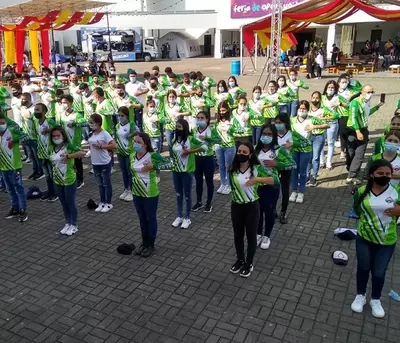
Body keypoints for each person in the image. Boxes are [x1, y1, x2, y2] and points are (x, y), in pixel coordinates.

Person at [351, 159, 399, 318]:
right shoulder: (361, 191)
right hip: (364, 238)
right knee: (363, 268)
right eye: (380, 173)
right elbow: (357, 211)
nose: (384, 176)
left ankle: (375, 299)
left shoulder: (396, 192)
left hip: (386, 241)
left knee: (379, 272)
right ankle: (360, 295)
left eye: (387, 174)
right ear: (372, 174)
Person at [229, 141, 279, 278]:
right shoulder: (232, 168)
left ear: (250, 155)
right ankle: (240, 260)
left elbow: (275, 180)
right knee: (238, 235)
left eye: (244, 152)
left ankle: (249, 263)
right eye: (239, 151)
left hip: (251, 207)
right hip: (236, 206)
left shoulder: (257, 168)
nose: (241, 154)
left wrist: (257, 180)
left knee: (251, 236)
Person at [129, 132, 170, 257]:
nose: (135, 144)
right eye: (134, 141)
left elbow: (170, 164)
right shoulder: (132, 155)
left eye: (138, 142)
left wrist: (154, 165)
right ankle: (144, 242)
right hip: (136, 192)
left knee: (150, 219)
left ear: (146, 144)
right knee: (142, 219)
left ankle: (150, 245)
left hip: (150, 193)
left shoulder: (153, 155)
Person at [255, 124, 295, 250]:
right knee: (258, 211)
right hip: (257, 186)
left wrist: (276, 164)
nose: (266, 136)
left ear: (273, 136)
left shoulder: (279, 150)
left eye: (269, 134)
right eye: (264, 134)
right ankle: (258, 233)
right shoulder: (256, 149)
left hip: (272, 186)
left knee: (269, 211)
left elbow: (292, 165)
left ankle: (267, 235)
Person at [289, 100, 329, 203]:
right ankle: (294, 191)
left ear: (307, 110)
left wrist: (314, 127)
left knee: (303, 172)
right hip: (294, 150)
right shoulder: (292, 120)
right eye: (300, 108)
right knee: (294, 170)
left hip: (306, 150)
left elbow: (326, 125)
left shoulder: (312, 119)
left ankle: (301, 192)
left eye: (304, 109)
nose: (302, 110)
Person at [49, 126, 86, 235]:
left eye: (58, 135)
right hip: (57, 179)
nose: (56, 138)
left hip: (69, 179)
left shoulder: (68, 146)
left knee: (71, 203)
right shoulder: (52, 148)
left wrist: (69, 156)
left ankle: (74, 224)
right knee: (63, 203)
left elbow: (83, 153)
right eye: (54, 136)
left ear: (63, 136)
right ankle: (68, 223)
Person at [171, 119, 206, 229]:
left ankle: (187, 218)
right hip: (176, 171)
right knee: (178, 194)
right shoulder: (174, 139)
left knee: (187, 195)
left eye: (180, 127)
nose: (177, 129)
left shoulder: (191, 139)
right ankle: (179, 216)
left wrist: (190, 152)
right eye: (176, 126)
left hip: (187, 171)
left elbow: (204, 147)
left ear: (185, 128)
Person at [346, 85, 384, 185]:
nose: (370, 94)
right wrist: (358, 131)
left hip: (363, 130)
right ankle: (351, 170)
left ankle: (352, 175)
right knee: (350, 153)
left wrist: (378, 106)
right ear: (362, 92)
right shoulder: (355, 102)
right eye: (368, 92)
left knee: (359, 154)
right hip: (353, 130)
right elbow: (353, 117)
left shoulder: (366, 103)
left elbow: (366, 114)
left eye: (372, 92)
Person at [0, 114, 28, 222]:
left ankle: (23, 210)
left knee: (18, 188)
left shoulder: (11, 130)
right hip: (3, 168)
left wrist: (15, 141)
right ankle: (15, 208)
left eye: (3, 123)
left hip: (14, 167)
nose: (1, 125)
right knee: (10, 189)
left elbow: (25, 135)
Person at [88, 114, 117, 213]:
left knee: (106, 183)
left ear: (98, 123)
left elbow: (113, 145)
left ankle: (108, 203)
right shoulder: (91, 133)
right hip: (95, 162)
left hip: (104, 162)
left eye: (92, 122)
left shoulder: (105, 134)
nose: (90, 124)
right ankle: (102, 202)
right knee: (100, 184)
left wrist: (101, 146)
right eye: (90, 122)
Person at [57, 94, 86, 189]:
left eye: (65, 102)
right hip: (66, 143)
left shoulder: (76, 115)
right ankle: (71, 178)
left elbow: (85, 123)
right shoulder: (61, 115)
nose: (63, 104)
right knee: (69, 161)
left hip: (75, 143)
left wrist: (75, 124)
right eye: (62, 103)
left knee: (77, 162)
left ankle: (80, 180)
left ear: (71, 103)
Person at [32, 103, 58, 202]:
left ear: (44, 111)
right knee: (47, 175)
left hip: (50, 153)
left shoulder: (50, 121)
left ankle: (56, 193)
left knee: (52, 174)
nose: (35, 112)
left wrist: (50, 130)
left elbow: (59, 131)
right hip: (41, 153)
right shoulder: (35, 122)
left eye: (38, 110)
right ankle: (50, 191)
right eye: (35, 109)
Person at [192, 111, 215, 213]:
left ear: (207, 119)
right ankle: (199, 201)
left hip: (208, 159)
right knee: (198, 181)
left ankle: (209, 203)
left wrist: (207, 138)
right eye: (198, 118)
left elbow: (218, 140)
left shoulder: (211, 130)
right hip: (197, 159)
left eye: (202, 118)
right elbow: (191, 142)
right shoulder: (193, 130)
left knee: (209, 181)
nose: (200, 120)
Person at [115, 106, 139, 201]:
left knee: (130, 173)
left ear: (127, 116)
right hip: (120, 152)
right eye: (119, 115)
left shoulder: (131, 124)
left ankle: (132, 191)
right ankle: (126, 189)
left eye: (122, 115)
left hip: (130, 152)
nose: (120, 117)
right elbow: (116, 138)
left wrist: (131, 135)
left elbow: (138, 133)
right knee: (124, 172)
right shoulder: (117, 125)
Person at [213, 101, 236, 195]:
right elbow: (214, 133)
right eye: (220, 111)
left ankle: (229, 185)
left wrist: (230, 130)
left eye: (223, 110)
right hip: (219, 147)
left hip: (229, 147)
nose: (222, 112)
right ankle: (223, 183)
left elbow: (238, 131)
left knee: (228, 166)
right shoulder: (216, 121)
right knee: (221, 166)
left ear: (227, 110)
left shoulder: (233, 120)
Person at [274, 114, 294, 224]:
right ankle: (273, 210)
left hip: (286, 166)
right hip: (275, 166)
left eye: (280, 123)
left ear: (285, 123)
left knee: (285, 190)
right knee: (274, 188)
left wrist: (293, 144)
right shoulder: (272, 134)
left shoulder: (291, 135)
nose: (277, 125)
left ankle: (283, 212)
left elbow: (301, 143)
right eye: (276, 123)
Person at [20, 92, 44, 180]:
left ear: (29, 99)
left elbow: (38, 122)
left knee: (37, 156)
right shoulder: (22, 108)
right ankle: (35, 170)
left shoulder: (34, 109)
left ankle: (40, 171)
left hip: (34, 137)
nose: (22, 101)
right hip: (26, 136)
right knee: (32, 156)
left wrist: (31, 117)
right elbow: (23, 121)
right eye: (21, 99)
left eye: (24, 99)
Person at [321, 81, 341, 170]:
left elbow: (347, 104)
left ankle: (329, 162)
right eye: (329, 87)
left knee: (331, 142)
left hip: (332, 122)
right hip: (322, 122)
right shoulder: (322, 97)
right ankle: (321, 160)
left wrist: (340, 104)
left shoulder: (337, 97)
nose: (330, 89)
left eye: (332, 88)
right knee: (321, 142)